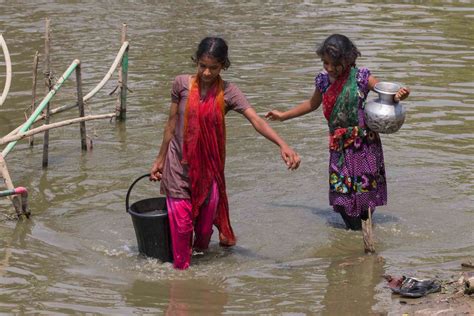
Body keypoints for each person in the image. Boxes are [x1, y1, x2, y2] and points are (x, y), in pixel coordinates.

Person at [150, 37, 300, 270]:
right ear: (196, 62)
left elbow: (256, 120)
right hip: (178, 164)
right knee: (181, 226)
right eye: (202, 66)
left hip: (209, 169)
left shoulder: (229, 92)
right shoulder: (180, 84)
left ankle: (200, 275)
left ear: (223, 66)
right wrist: (159, 160)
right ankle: (180, 278)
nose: (207, 72)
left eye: (214, 67)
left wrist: (283, 144)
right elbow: (171, 124)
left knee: (202, 230)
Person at [266, 34, 409, 232]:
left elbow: (385, 92)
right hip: (339, 147)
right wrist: (283, 116)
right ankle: (356, 233)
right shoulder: (323, 81)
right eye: (326, 63)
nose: (330, 68)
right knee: (342, 194)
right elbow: (312, 104)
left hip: (364, 145)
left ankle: (363, 233)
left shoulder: (361, 77)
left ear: (348, 60)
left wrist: (400, 95)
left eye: (336, 64)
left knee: (365, 192)